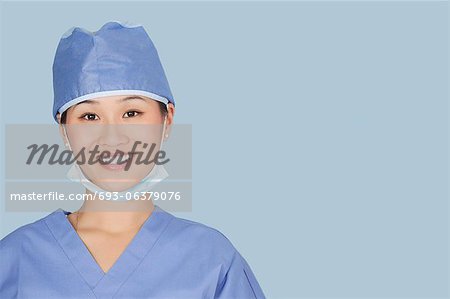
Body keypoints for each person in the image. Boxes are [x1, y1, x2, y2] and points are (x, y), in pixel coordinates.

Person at [0, 21, 266, 298]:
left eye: (132, 113)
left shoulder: (213, 262)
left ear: (168, 120)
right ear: (65, 131)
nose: (112, 139)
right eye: (89, 117)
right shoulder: (15, 260)